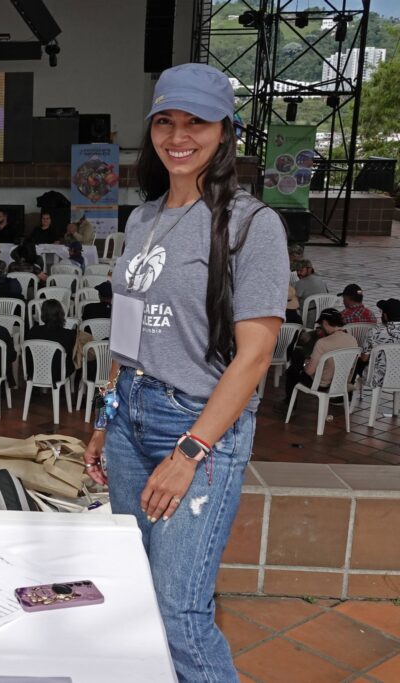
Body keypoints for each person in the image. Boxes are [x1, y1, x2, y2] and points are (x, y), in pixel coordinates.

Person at [82, 63, 289, 681]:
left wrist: (191, 450)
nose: (179, 135)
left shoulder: (254, 225)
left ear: (224, 131)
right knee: (137, 590)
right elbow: (127, 337)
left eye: (196, 121)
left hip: (195, 427)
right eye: (166, 121)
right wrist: (105, 418)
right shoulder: (142, 218)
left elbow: (254, 356)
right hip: (131, 417)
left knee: (179, 611)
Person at [284, 308, 357, 397]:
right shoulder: (353, 340)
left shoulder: (322, 343)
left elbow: (309, 372)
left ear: (325, 323)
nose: (321, 328)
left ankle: (288, 403)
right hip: (340, 383)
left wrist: (305, 364)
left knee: (292, 369)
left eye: (321, 325)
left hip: (321, 385)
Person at [25, 299, 76, 383]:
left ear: (43, 314)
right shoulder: (68, 334)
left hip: (35, 371)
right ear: (61, 314)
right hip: (58, 373)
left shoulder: (33, 331)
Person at [359, 298, 400, 389]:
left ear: (385, 315)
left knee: (358, 363)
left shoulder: (375, 331)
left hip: (378, 379)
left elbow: (364, 358)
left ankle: (345, 395)